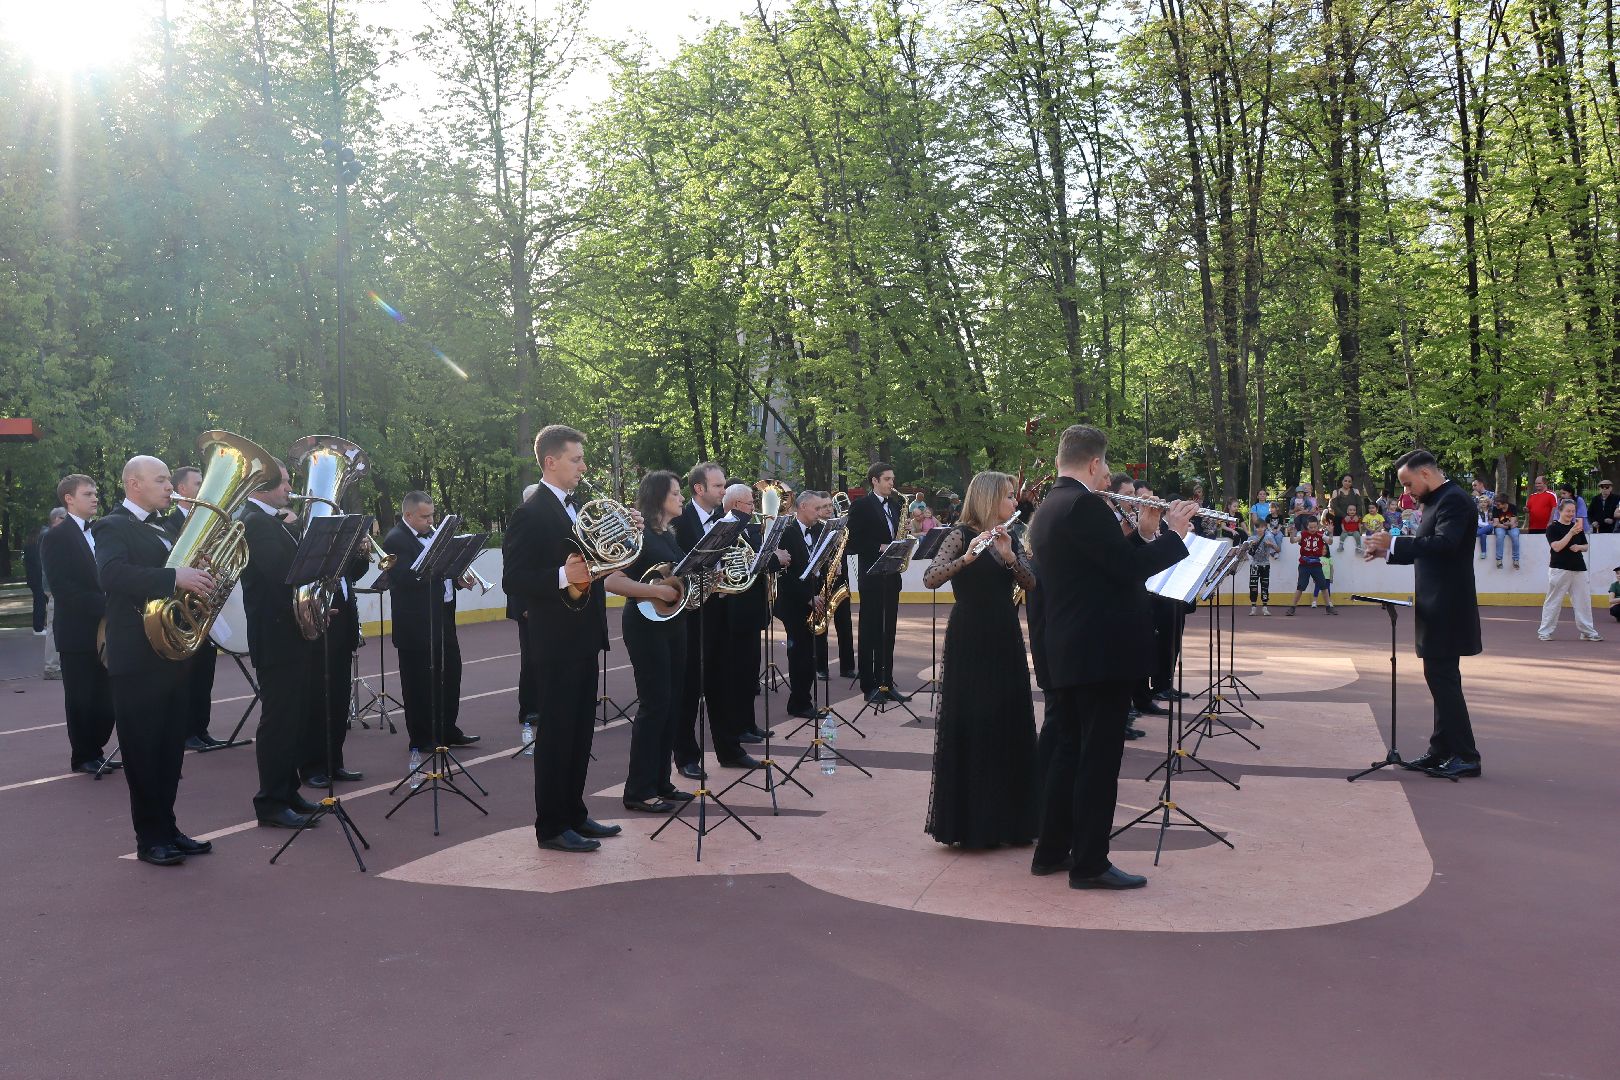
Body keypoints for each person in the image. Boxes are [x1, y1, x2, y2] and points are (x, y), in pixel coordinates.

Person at [1028, 425, 1194, 890]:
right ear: (1095, 463)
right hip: (1098, 652)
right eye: (1105, 466)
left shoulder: (1050, 506)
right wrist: (1174, 535)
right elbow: (1126, 572)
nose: (1106, 475)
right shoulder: (1085, 505)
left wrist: (1143, 534)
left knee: (1067, 754)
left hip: (1069, 648)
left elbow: (1100, 567)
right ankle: (1090, 864)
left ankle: (1052, 850)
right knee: (1097, 761)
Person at [503, 425, 632, 853]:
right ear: (551, 462)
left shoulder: (573, 507)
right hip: (555, 640)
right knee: (557, 734)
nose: (583, 466)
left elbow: (595, 561)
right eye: (576, 459)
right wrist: (563, 576)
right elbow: (514, 579)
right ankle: (552, 826)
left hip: (583, 634)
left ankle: (575, 813)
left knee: (580, 731)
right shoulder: (532, 512)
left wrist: (623, 531)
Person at [95, 455, 216, 866]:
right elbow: (111, 576)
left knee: (169, 750)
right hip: (136, 657)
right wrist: (174, 577)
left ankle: (168, 827)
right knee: (143, 750)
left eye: (169, 480)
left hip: (170, 654)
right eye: (162, 480)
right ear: (134, 484)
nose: (171, 487)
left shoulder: (168, 526)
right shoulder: (111, 526)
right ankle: (150, 838)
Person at [921, 471, 1039, 848]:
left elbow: (1031, 582)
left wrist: (1008, 558)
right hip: (970, 634)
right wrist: (969, 559)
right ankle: (973, 824)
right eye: (1007, 496)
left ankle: (1012, 821)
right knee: (976, 720)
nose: (1013, 502)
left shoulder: (1010, 536)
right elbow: (931, 577)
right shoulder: (959, 534)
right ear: (988, 499)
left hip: (1004, 632)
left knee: (1008, 719)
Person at [1363, 449, 1484, 779]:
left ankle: (1466, 755)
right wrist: (1388, 550)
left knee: (1443, 679)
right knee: (1440, 679)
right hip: (1437, 604)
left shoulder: (1455, 500)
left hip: (1448, 605)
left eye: (1407, 484)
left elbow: (1444, 545)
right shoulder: (1437, 500)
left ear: (1426, 475)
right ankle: (1442, 749)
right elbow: (1427, 547)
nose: (1406, 492)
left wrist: (1394, 543)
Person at [237, 460, 321, 829]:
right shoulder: (255, 522)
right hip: (275, 633)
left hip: (290, 630)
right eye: (284, 482)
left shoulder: (273, 521)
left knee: (295, 716)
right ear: (263, 487)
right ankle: (270, 800)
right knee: (279, 719)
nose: (290, 488)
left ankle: (287, 790)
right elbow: (282, 573)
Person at [603, 470, 694, 813]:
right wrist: (657, 591)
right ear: (659, 498)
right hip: (645, 624)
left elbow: (675, 578)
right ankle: (638, 790)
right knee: (655, 704)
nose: (681, 498)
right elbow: (612, 581)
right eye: (675, 493)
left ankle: (661, 782)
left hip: (673, 622)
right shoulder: (637, 536)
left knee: (672, 704)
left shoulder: (668, 535)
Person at [41, 474, 117, 774]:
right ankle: (83, 755)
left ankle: (96, 749)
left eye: (95, 492)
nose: (95, 497)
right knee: (81, 695)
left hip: (107, 629)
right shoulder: (56, 537)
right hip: (77, 631)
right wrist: (109, 606)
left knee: (106, 695)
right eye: (88, 493)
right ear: (69, 499)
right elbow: (63, 589)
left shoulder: (102, 531)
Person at [671, 461, 733, 779]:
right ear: (700, 488)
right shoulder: (681, 521)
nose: (724, 491)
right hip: (691, 613)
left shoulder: (724, 518)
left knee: (722, 682)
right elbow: (676, 568)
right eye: (719, 486)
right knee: (690, 686)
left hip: (720, 609)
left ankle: (729, 748)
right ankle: (685, 754)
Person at [717, 483, 786, 748]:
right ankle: (737, 725)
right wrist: (775, 558)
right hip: (736, 611)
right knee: (737, 671)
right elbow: (747, 564)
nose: (754, 507)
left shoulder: (749, 529)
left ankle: (748, 722)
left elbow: (757, 558)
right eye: (749, 503)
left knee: (749, 671)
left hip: (752, 610)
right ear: (736, 505)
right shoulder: (728, 528)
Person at [165, 465, 227, 751]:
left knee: (205, 672)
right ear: (183, 490)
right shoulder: (167, 525)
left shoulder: (211, 524)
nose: (204, 486)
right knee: (186, 674)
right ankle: (185, 730)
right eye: (199, 482)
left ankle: (201, 728)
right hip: (177, 611)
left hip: (202, 608)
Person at [301, 541, 367, 789]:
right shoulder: (317, 553)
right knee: (318, 704)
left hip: (343, 634)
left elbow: (353, 575)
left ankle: (334, 762)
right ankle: (312, 767)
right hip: (322, 633)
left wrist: (360, 554)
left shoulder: (339, 555)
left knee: (339, 702)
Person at [847, 462, 907, 703]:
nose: (892, 483)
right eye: (887, 479)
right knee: (870, 631)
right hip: (871, 577)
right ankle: (868, 685)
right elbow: (852, 540)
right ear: (874, 480)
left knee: (888, 632)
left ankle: (886, 682)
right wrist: (879, 547)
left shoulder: (896, 504)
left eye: (892, 479)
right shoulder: (861, 505)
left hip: (891, 577)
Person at [775, 491, 827, 720]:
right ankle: (798, 702)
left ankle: (804, 699)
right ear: (803, 506)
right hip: (794, 603)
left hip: (813, 600)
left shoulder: (818, 531)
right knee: (799, 654)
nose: (819, 513)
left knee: (810, 654)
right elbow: (785, 576)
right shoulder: (786, 532)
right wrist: (808, 597)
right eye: (816, 509)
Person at [1538, 498, 1602, 642]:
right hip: (1559, 569)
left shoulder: (1577, 527)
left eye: (1573, 511)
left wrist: (1579, 547)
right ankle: (1545, 632)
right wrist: (1571, 533)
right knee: (1553, 601)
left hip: (1579, 568)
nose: (1570, 514)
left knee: (1583, 601)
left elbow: (1585, 546)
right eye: (1568, 511)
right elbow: (1557, 547)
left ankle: (1587, 631)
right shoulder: (1552, 528)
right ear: (1560, 511)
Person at [507, 482, 541, 745]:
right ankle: (528, 707)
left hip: (543, 605)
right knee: (530, 659)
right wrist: (525, 607)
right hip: (527, 606)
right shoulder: (522, 524)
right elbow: (516, 572)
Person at [813, 492, 857, 680]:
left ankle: (847, 667)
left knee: (845, 625)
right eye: (824, 507)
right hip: (820, 583)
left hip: (839, 581)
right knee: (821, 626)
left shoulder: (840, 527)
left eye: (830, 505)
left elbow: (851, 548)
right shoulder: (813, 529)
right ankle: (820, 667)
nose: (829, 509)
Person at [1284, 515, 1336, 615]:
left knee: (1324, 586)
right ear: (1307, 526)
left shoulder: (1321, 535)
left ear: (1318, 526)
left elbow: (1330, 542)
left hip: (1316, 564)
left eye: (1315, 527)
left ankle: (1328, 607)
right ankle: (1292, 607)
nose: (1313, 529)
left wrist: (1331, 532)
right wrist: (1291, 534)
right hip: (1304, 565)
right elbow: (1292, 541)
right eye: (1311, 527)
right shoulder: (1302, 534)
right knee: (1300, 586)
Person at [40, 506, 66, 679]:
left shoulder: (56, 536)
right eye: (64, 518)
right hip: (56, 590)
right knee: (53, 627)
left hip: (57, 589)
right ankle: (51, 667)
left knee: (57, 627)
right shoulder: (51, 537)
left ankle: (55, 665)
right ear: (56, 519)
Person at [1249, 517, 1283, 615]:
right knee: (1253, 586)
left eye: (1262, 527)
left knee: (1265, 586)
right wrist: (1251, 545)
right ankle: (1253, 607)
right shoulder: (1251, 538)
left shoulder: (1269, 537)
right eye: (1258, 528)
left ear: (1265, 528)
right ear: (1255, 528)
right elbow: (1245, 549)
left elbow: (1278, 549)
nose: (1260, 529)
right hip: (1255, 564)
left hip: (1265, 564)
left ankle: (1265, 607)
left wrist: (1271, 545)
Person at [23, 514, 47, 635]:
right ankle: (38, 628)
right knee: (40, 602)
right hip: (37, 579)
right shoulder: (33, 548)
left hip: (34, 579)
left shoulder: (29, 547)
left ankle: (39, 626)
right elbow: (38, 564)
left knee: (39, 602)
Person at [1490, 494, 1521, 569]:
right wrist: (1507, 525)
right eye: (1496, 504)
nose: (1496, 505)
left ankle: (1516, 560)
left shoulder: (1512, 507)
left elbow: (1513, 521)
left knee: (1515, 536)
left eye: (1498, 504)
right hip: (1501, 527)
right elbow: (1496, 523)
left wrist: (1510, 525)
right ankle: (1499, 559)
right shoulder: (1495, 509)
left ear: (1504, 503)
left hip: (1510, 526)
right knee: (1500, 535)